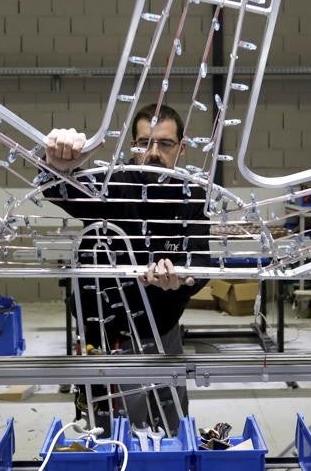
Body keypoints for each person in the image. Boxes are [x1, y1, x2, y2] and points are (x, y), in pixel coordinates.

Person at [42, 104, 209, 431]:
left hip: (163, 328)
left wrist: (182, 280)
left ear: (182, 148)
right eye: (144, 143)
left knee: (171, 420)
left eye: (164, 144)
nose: (153, 152)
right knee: (107, 428)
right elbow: (56, 189)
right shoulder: (110, 184)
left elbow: (200, 258)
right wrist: (55, 162)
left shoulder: (193, 193)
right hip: (105, 334)